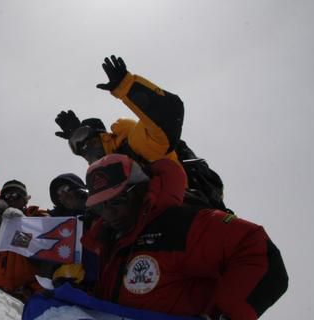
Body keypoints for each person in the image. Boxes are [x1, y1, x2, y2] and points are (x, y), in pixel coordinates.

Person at [80, 153, 288, 320]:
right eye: (100, 206)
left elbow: (257, 251)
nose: (109, 213)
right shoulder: (105, 245)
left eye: (116, 201)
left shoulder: (179, 225)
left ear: (139, 191)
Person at [55, 55, 227, 211]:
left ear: (101, 137)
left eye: (86, 140)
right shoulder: (103, 180)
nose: (85, 149)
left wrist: (127, 86)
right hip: (145, 222)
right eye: (78, 148)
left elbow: (167, 117)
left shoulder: (131, 145)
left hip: (181, 210)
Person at [0, 180, 48, 301]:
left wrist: (23, 224)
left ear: (25, 200)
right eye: (6, 196)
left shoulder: (37, 217)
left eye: (16, 195)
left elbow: (43, 251)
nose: (11, 199)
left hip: (29, 296)